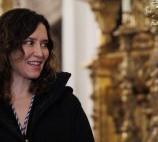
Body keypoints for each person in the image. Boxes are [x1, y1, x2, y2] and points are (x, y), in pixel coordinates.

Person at [0, 8, 95, 142]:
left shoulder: (67, 104)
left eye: (44, 44)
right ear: (6, 46)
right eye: (29, 42)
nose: (40, 53)